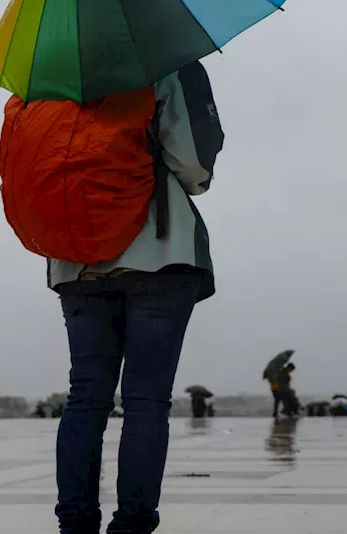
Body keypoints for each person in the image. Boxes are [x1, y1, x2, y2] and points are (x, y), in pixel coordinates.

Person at [15, 61, 225, 534]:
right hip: (157, 248)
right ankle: (131, 523)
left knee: (86, 397)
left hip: (75, 259)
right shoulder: (166, 60)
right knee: (147, 399)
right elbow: (194, 165)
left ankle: (75, 521)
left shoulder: (43, 77)